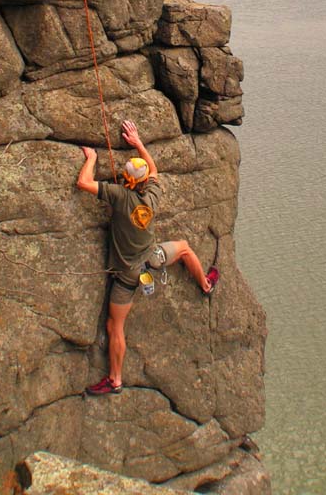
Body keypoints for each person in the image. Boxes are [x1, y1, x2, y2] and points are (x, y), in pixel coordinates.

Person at [77, 119, 219, 396]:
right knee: (185, 247)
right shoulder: (151, 195)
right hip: (153, 258)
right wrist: (139, 142)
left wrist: (92, 157)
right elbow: (153, 170)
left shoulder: (118, 196)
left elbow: (84, 182)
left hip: (127, 274)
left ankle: (115, 379)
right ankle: (205, 284)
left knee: (114, 325)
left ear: (127, 180)